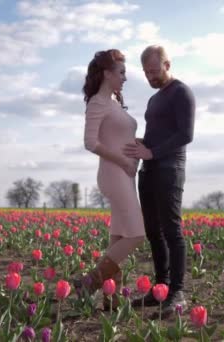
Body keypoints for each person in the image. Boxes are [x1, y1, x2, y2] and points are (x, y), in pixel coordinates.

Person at [123, 45, 195, 317]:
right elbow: (157, 134)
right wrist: (140, 144)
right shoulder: (154, 99)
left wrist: (152, 151)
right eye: (146, 72)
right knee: (153, 231)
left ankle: (177, 292)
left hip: (170, 168)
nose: (150, 76)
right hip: (149, 170)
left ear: (167, 64)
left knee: (172, 230)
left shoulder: (181, 92)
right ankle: (160, 288)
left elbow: (185, 134)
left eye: (154, 70)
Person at [73, 49, 145, 310]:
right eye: (122, 72)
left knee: (119, 235)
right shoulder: (97, 103)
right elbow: (90, 143)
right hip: (114, 174)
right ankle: (89, 282)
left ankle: (111, 299)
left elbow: (120, 136)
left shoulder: (114, 103)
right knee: (137, 234)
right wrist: (124, 161)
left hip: (125, 175)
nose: (125, 78)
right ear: (107, 74)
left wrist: (138, 148)